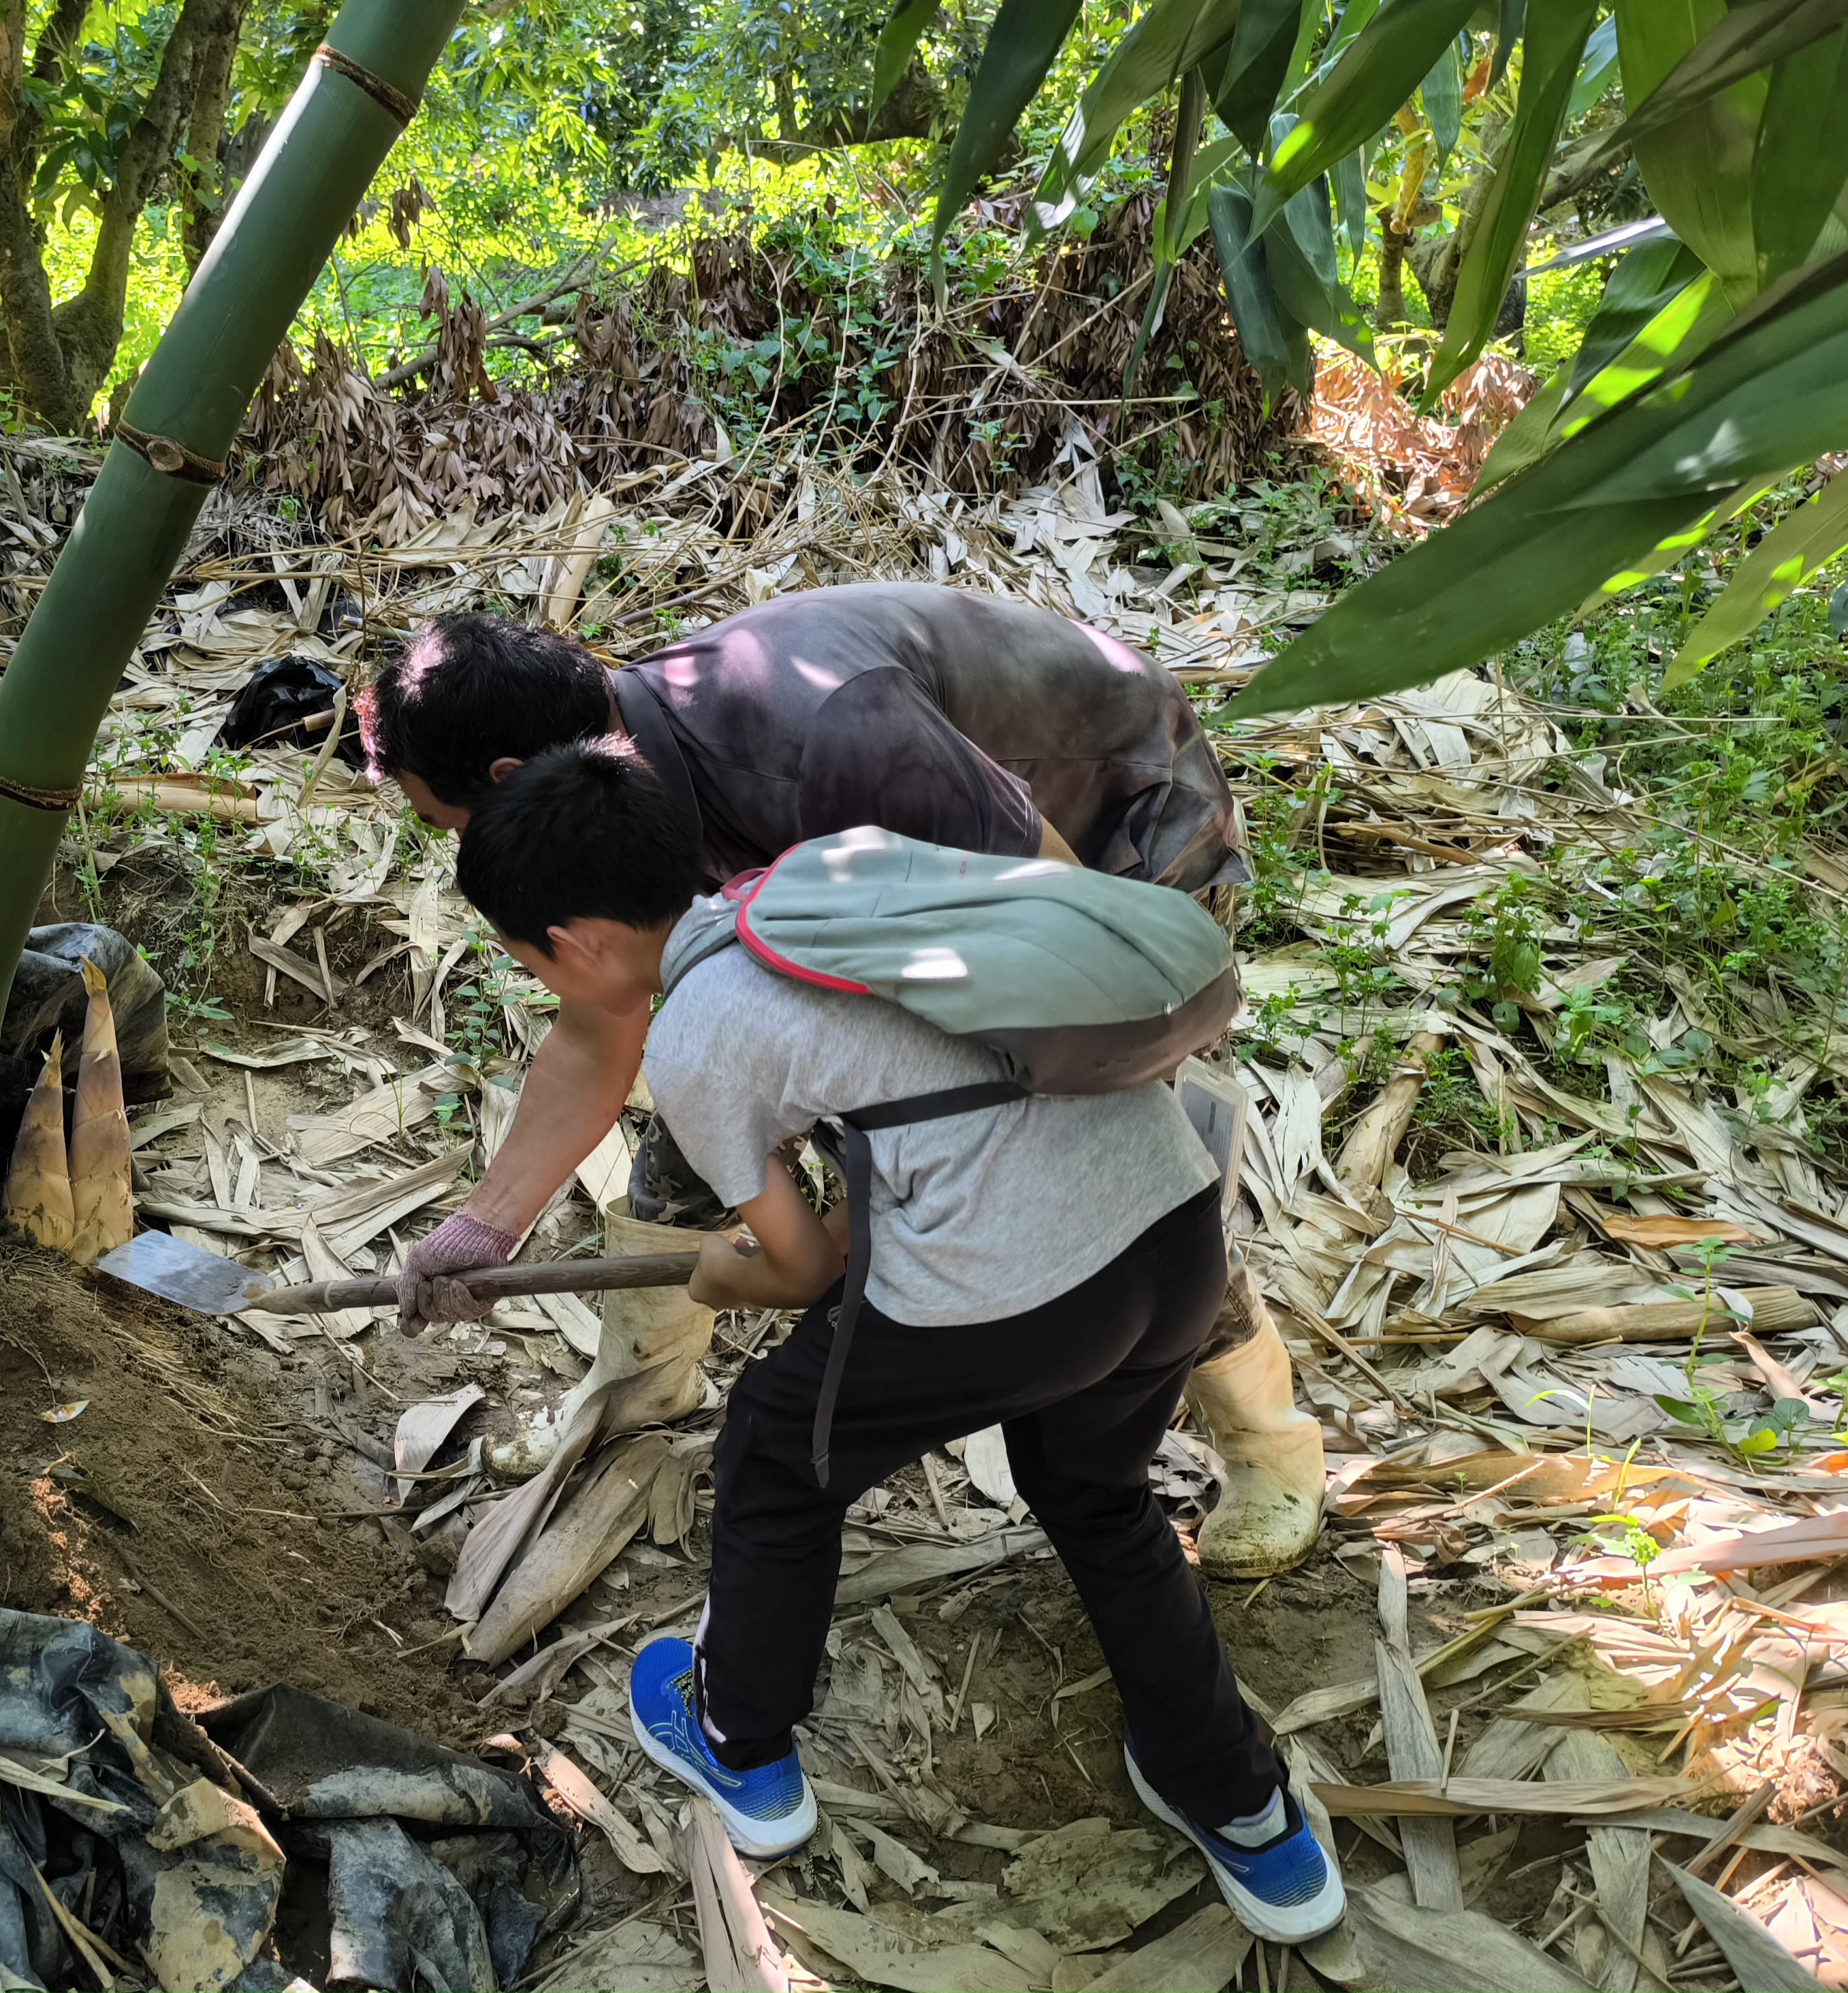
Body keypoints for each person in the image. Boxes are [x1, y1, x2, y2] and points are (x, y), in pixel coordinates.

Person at [449, 740, 1344, 1942]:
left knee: (774, 1447)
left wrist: (723, 1277)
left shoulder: (699, 1034)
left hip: (1020, 1296)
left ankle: (739, 1747)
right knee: (1093, 1491)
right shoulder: (826, 876)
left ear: (577, 945)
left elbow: (808, 1268)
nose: (537, 976)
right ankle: (1246, 1813)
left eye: (525, 957)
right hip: (1176, 1229)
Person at [364, 589, 1322, 1579]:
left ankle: (1267, 1440)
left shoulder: (826, 736)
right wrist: (486, 1226)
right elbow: (603, 1028)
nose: (458, 853)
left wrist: (880, 1197)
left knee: (1098, 1155)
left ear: (511, 777)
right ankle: (641, 1381)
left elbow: (1058, 923)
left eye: (448, 825)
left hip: (1106, 849)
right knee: (713, 1108)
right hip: (930, 882)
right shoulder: (614, 784)